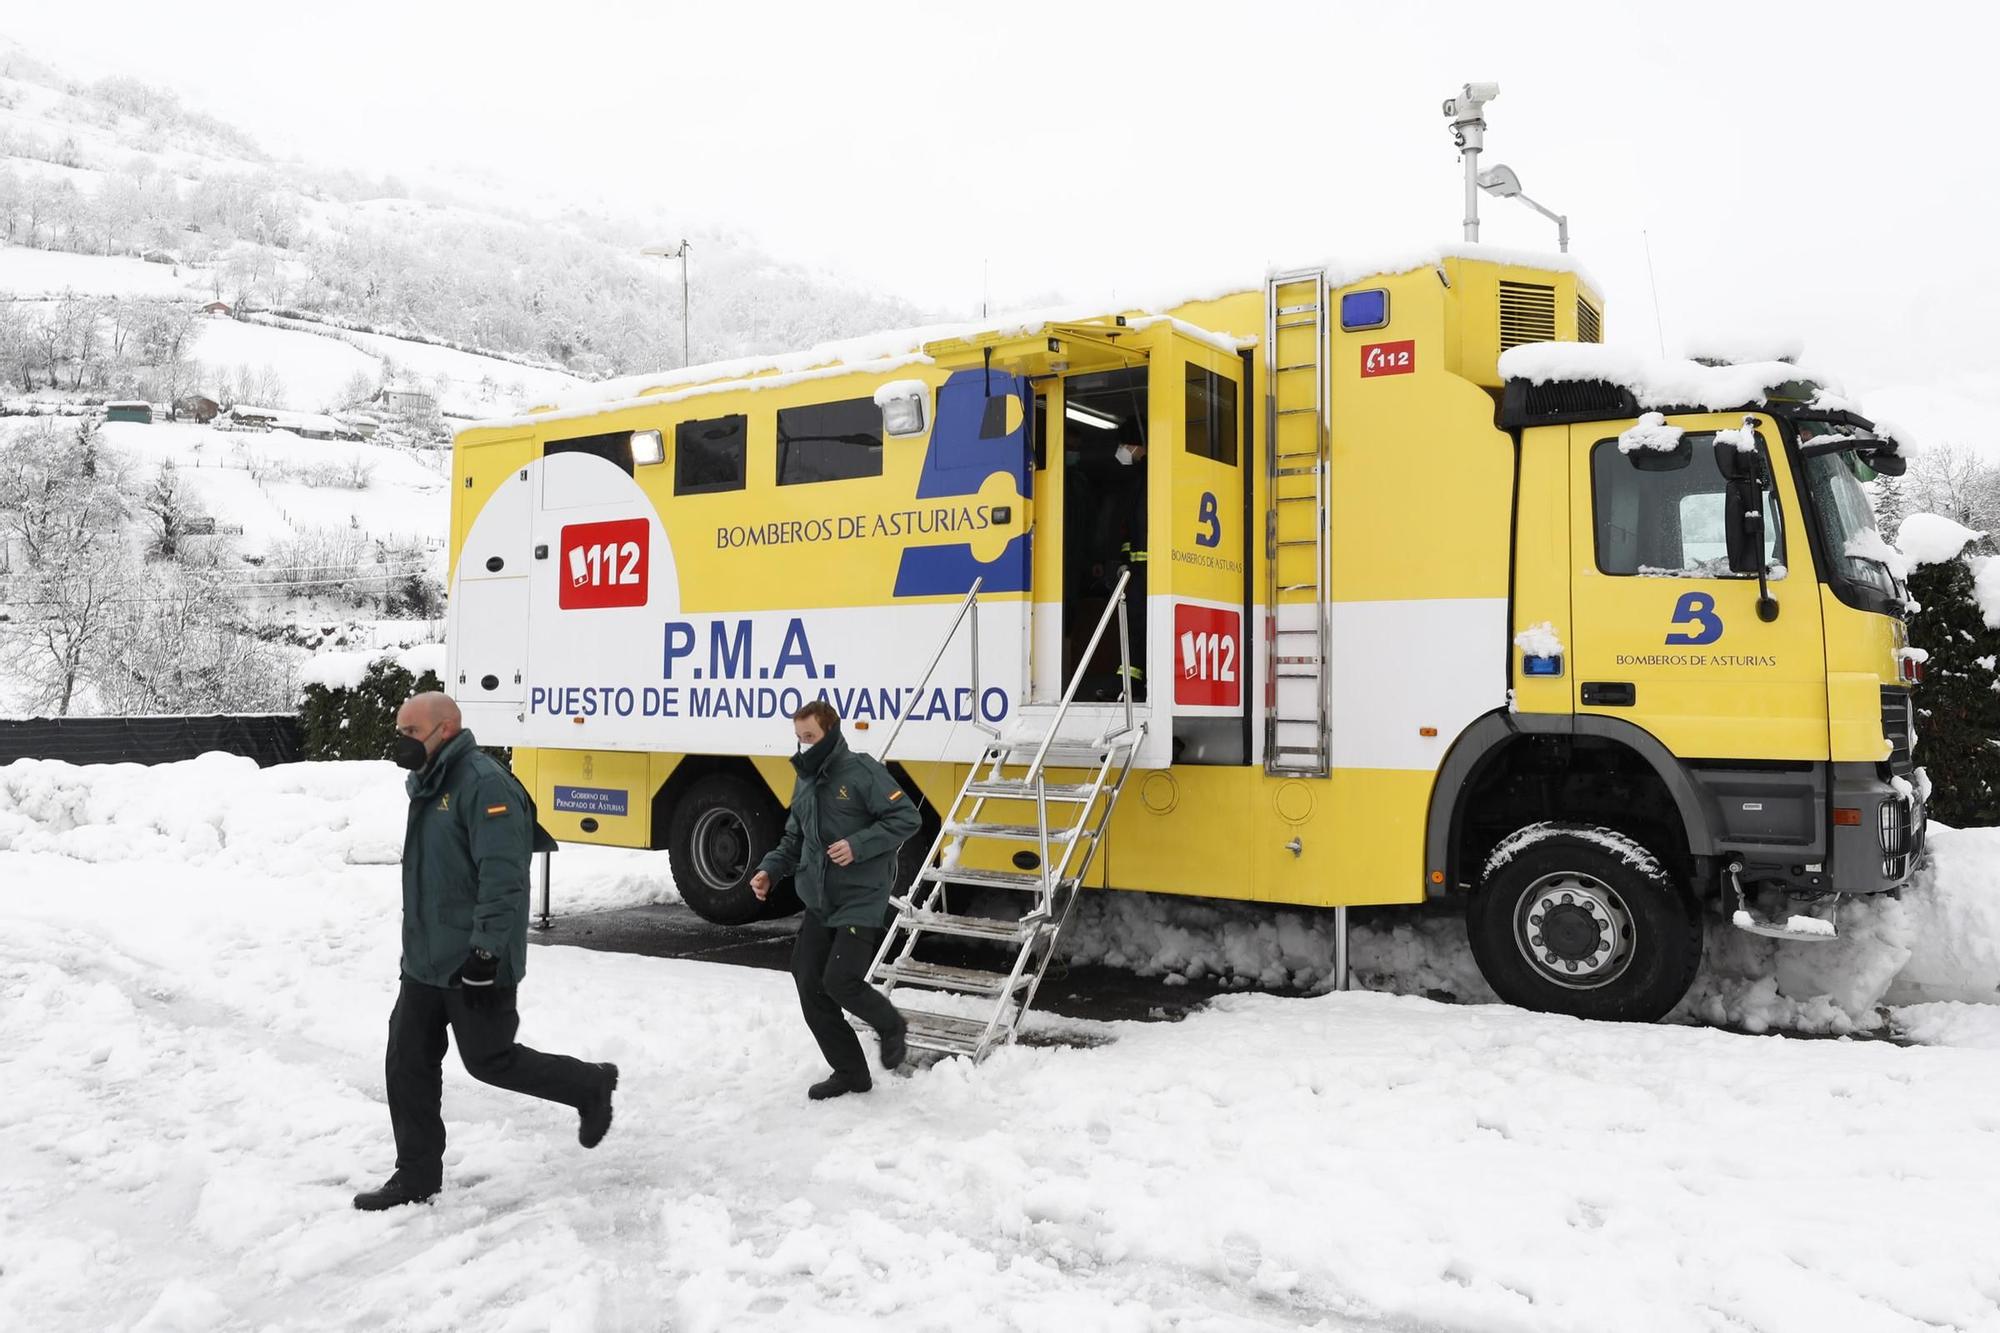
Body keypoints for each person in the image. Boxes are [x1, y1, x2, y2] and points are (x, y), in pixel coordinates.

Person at [352, 692, 618, 1211]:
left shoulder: (483, 784)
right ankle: (416, 1176)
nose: (400, 740)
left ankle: (590, 1084)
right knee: (406, 1061)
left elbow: (504, 879)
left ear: (445, 729)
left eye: (410, 731)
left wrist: (486, 953)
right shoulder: (430, 781)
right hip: (426, 961)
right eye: (400, 729)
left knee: (491, 1061)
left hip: (475, 960)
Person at [750, 700, 922, 1100]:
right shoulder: (806, 780)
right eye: (798, 738)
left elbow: (906, 819)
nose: (803, 746)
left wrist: (857, 845)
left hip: (861, 897)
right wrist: (769, 870)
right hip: (820, 899)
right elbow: (795, 839)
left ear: (829, 732)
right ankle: (850, 1072)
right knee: (809, 982)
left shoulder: (862, 772)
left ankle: (891, 1024)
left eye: (809, 737)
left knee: (840, 980)